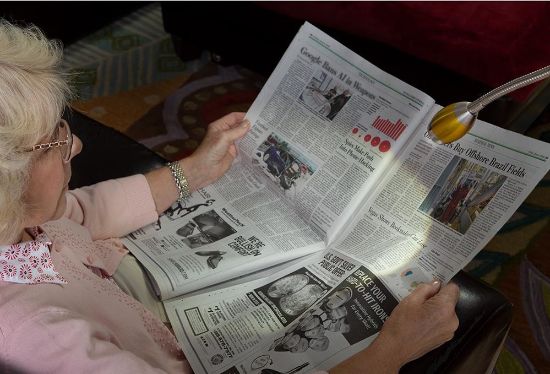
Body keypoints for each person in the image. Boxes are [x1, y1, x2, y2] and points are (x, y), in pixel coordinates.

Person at [0, 21, 459, 373]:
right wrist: (391, 354)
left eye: (66, 125)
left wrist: (190, 171)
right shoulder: (36, 338)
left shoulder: (21, 219)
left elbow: (80, 213)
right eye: (51, 140)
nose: (74, 144)